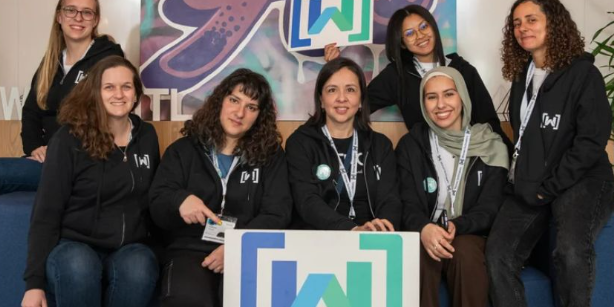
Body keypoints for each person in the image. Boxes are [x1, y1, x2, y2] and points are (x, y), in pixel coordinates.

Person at [485, 0, 614, 307]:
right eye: (516, 23)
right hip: (534, 181)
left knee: (570, 250)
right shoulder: (521, 78)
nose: (522, 28)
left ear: (553, 24)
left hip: (581, 178)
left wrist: (550, 187)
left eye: (531, 20)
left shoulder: (584, 74)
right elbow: (526, 137)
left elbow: (590, 142)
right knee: (498, 254)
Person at [21, 56, 160, 307]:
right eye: (109, 87)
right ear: (95, 91)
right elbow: (46, 211)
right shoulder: (69, 139)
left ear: (136, 93)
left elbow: (154, 201)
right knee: (79, 265)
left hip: (128, 247)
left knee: (141, 265)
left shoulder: (147, 136)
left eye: (126, 86)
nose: (119, 94)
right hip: (75, 245)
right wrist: (34, 284)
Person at [149, 68, 292, 307]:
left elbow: (278, 213)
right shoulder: (183, 150)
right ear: (220, 101)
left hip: (250, 253)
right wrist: (179, 200)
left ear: (260, 116)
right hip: (190, 251)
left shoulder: (271, 156)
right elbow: (157, 205)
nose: (240, 113)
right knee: (186, 300)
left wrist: (238, 248)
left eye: (252, 107)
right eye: (234, 100)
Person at [324, 5, 512, 151]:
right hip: (424, 162)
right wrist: (336, 69)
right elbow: (357, 105)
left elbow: (489, 123)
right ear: (402, 44)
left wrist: (507, 163)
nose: (420, 35)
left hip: (469, 158)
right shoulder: (397, 75)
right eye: (409, 33)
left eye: (423, 26)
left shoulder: (463, 70)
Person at [396, 67, 508, 307]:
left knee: (464, 252)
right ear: (423, 103)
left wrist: (458, 225)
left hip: (470, 233)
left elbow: (491, 207)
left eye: (449, 94)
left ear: (462, 97)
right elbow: (406, 202)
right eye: (431, 97)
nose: (440, 104)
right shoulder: (411, 145)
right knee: (418, 252)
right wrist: (424, 228)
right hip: (424, 231)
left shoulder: (490, 145)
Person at [0, 0, 124, 194]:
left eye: (86, 12)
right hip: (47, 160)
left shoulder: (109, 60)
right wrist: (34, 148)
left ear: (95, 20)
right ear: (59, 16)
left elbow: (106, 119)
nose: (78, 18)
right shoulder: (50, 62)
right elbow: (31, 111)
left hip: (84, 162)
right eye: (70, 10)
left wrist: (57, 150)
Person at [286, 57, 401, 231]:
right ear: (321, 100)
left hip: (371, 239)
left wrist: (381, 228)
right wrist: (351, 230)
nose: (342, 98)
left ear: (361, 99)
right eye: (332, 90)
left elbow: (390, 200)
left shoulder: (381, 145)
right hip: (318, 238)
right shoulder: (300, 143)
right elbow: (307, 201)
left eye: (350, 90)